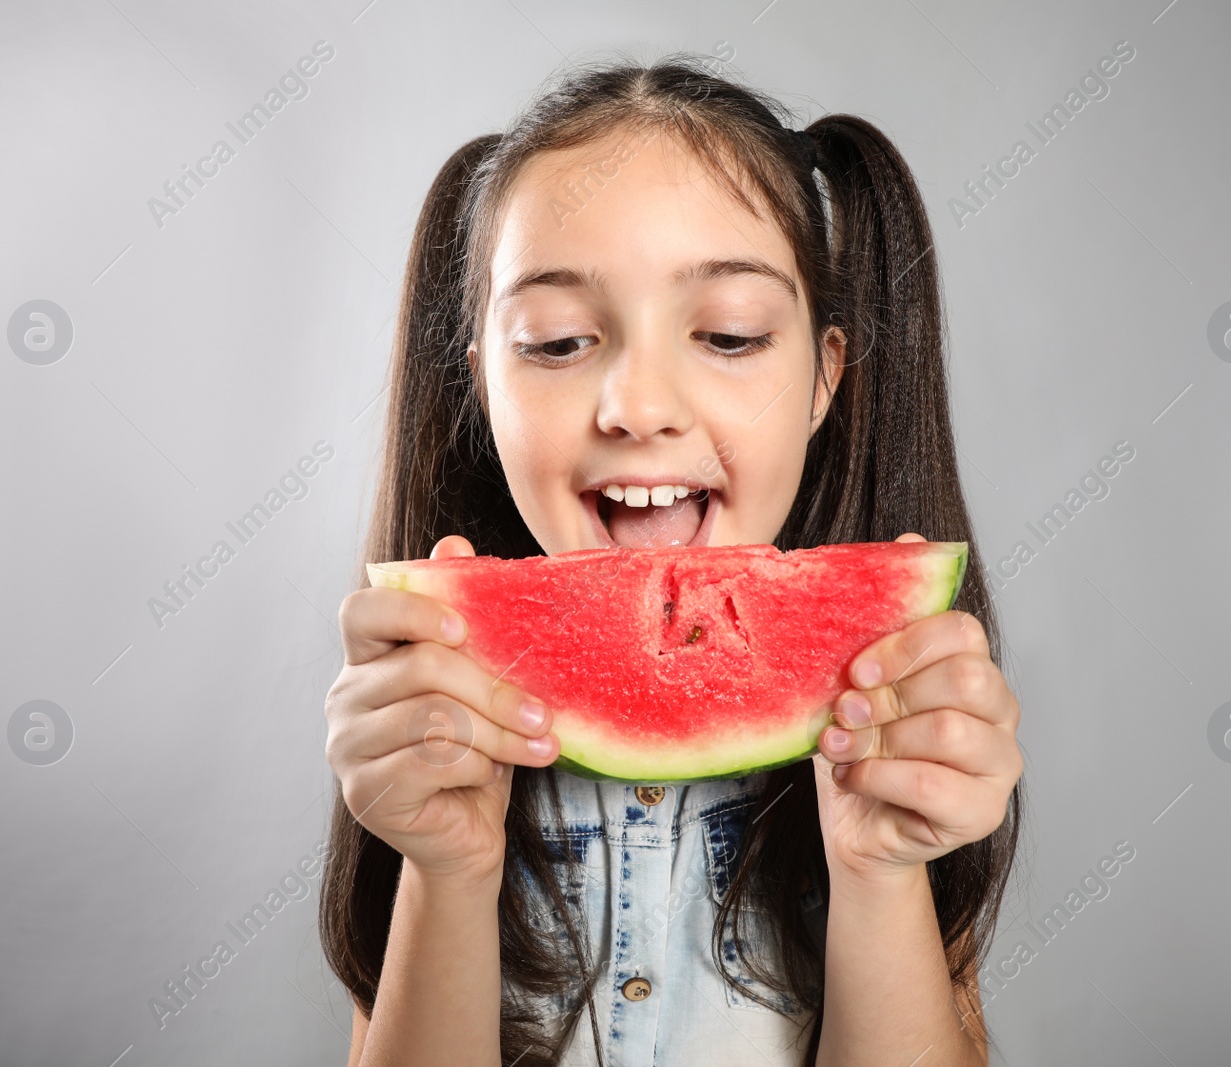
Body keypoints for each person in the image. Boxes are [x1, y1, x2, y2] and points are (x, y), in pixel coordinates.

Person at [320, 51, 1025, 1066]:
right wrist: (447, 868)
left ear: (826, 376)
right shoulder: (430, 716)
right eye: (558, 341)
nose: (638, 408)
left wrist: (877, 870)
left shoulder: (894, 717)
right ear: (481, 382)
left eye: (729, 335)